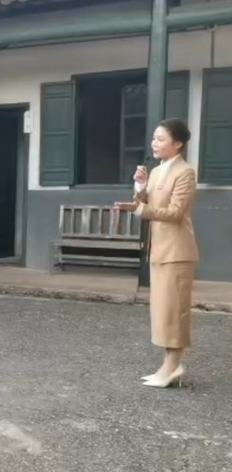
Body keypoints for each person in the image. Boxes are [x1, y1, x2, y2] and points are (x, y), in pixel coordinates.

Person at [115, 118, 198, 389]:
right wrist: (140, 186)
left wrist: (139, 210)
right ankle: (168, 366)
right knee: (163, 311)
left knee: (175, 311)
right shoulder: (158, 171)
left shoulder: (185, 172)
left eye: (161, 139)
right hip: (160, 249)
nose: (155, 143)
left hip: (177, 251)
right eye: (154, 138)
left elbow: (175, 213)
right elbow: (146, 201)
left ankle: (172, 367)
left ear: (178, 144)